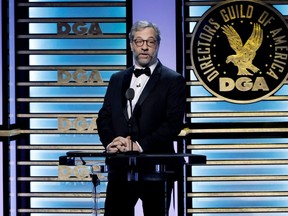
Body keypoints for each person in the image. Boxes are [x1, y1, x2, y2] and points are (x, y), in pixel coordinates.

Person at [96, 20, 186, 216]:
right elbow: (104, 117)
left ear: (157, 45)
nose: (144, 47)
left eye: (150, 41)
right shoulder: (116, 79)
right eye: (139, 41)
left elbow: (173, 124)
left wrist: (138, 145)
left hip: (157, 170)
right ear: (131, 45)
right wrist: (112, 142)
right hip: (120, 169)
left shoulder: (173, 80)